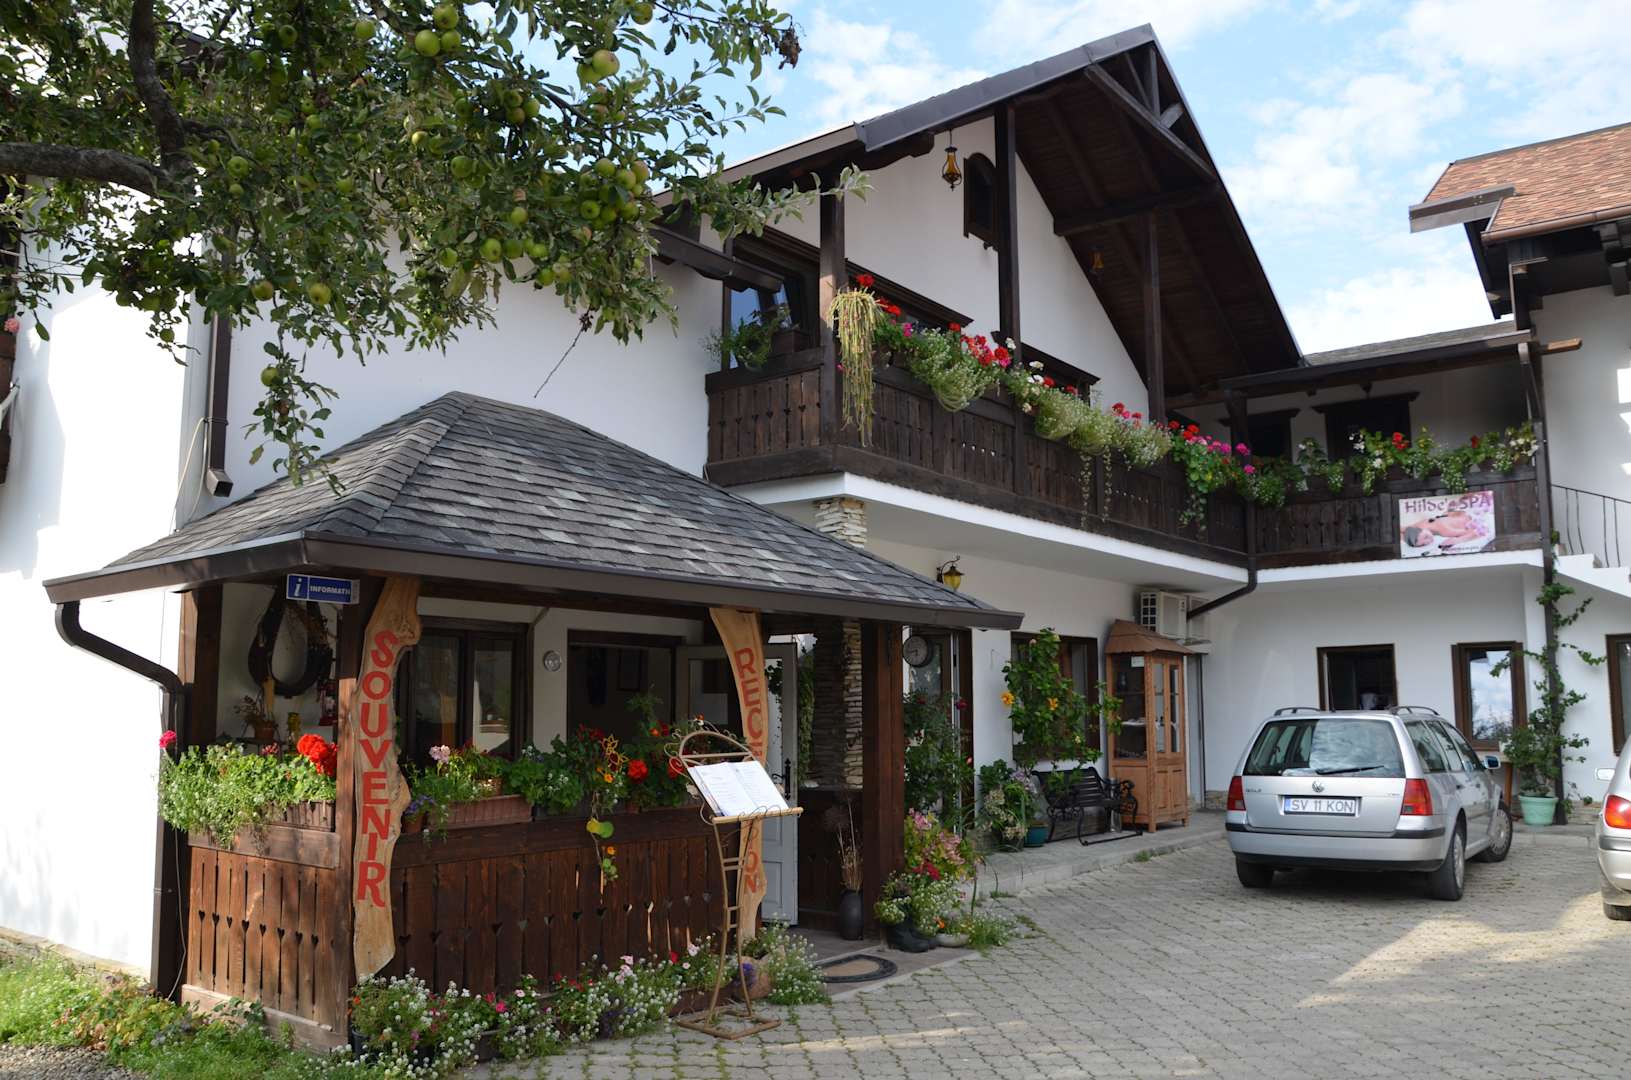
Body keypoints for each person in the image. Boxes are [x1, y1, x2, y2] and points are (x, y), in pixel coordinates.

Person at [1402, 508, 1485, 550]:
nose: (1428, 542)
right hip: (1457, 514)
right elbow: (1404, 529)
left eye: (1426, 537)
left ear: (1422, 530)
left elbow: (1474, 533)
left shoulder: (1445, 531)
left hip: (1470, 518)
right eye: (1423, 544)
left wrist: (1457, 540)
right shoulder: (1422, 525)